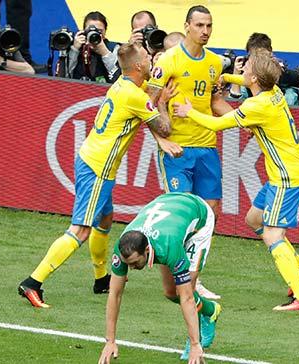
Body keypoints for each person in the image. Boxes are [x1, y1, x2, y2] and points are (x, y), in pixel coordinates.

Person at [17, 43, 182, 308]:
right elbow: (164, 127)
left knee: (105, 220)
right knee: (80, 230)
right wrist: (163, 103)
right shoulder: (137, 97)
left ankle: (100, 279)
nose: (151, 62)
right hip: (98, 168)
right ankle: (33, 282)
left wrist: (154, 99)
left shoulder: (122, 85)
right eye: (147, 59)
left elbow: (144, 109)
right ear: (139, 66)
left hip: (91, 158)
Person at [173, 48, 299, 311]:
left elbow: (217, 125)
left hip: (287, 178)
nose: (243, 69)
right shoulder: (273, 92)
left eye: (246, 67)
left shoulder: (256, 106)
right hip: (284, 173)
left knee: (273, 234)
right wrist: (228, 79)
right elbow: (247, 82)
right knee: (254, 219)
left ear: (253, 78)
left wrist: (188, 111)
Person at [147, 5, 228, 301]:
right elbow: (148, 104)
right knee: (181, 217)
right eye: (200, 25)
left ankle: (195, 278)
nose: (205, 31)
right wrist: (161, 140)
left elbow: (215, 102)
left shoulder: (215, 63)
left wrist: (243, 120)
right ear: (187, 26)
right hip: (178, 151)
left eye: (209, 25)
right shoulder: (168, 61)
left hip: (207, 147)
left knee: (209, 216)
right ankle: (177, 280)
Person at [97, 193, 221, 364]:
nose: (130, 268)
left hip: (198, 219)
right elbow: (115, 294)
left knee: (186, 289)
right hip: (169, 210)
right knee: (171, 293)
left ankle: (195, 335)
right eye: (128, 264)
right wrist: (110, 341)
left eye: (134, 263)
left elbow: (187, 298)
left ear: (147, 250)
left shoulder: (168, 247)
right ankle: (210, 310)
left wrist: (194, 344)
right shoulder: (122, 249)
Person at [67, 11, 120, 83]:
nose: (94, 34)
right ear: (83, 31)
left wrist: (105, 53)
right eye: (90, 30)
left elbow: (119, 80)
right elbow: (62, 77)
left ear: (105, 32)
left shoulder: (114, 48)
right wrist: (74, 49)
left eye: (99, 31)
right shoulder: (75, 48)